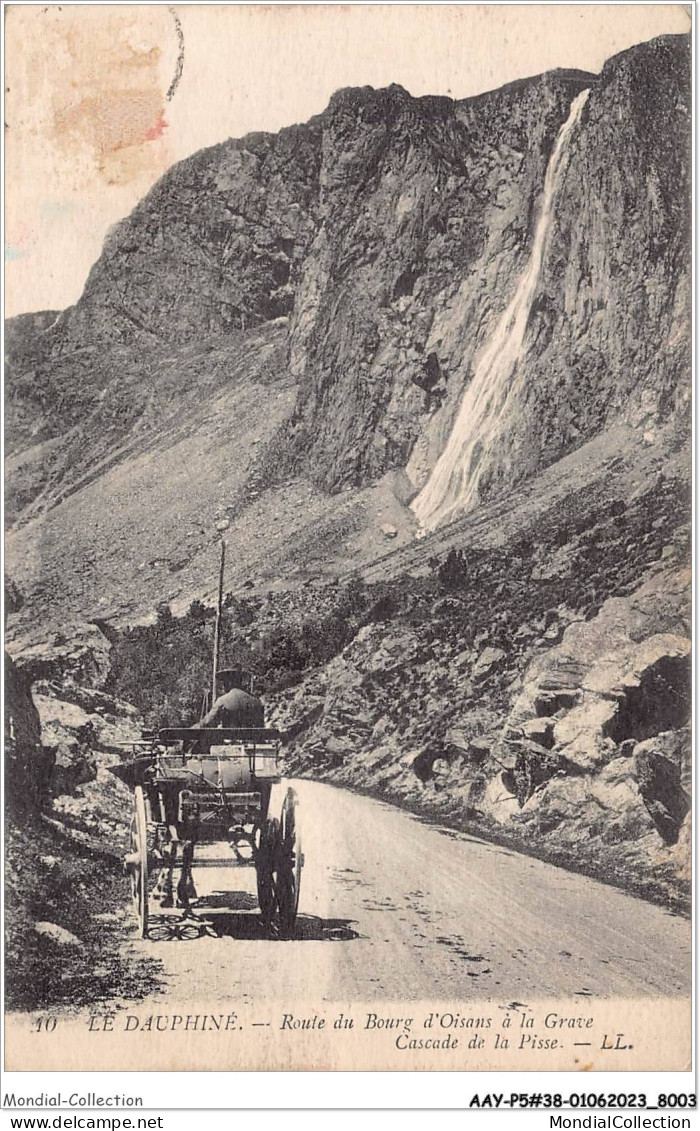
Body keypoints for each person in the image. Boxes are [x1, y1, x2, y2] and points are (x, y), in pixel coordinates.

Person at [197, 669, 264, 728]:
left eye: (224, 682)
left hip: (230, 740)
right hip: (252, 741)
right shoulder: (256, 702)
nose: (223, 685)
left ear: (229, 683)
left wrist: (193, 728)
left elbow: (207, 722)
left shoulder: (222, 700)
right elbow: (260, 726)